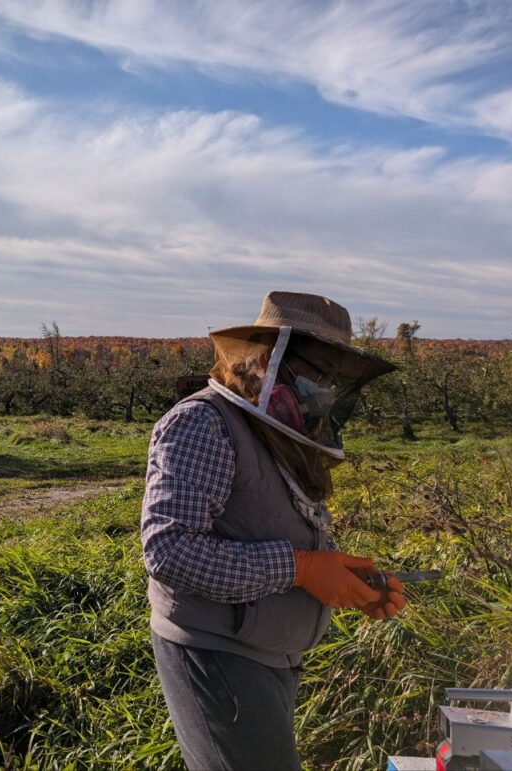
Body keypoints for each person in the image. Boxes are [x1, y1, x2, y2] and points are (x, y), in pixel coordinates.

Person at [142, 291, 406, 771]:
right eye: (315, 371)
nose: (323, 387)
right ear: (267, 358)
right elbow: (169, 551)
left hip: (268, 653)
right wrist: (302, 569)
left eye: (334, 377)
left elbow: (273, 521)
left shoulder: (280, 431)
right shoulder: (204, 423)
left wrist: (347, 580)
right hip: (215, 652)